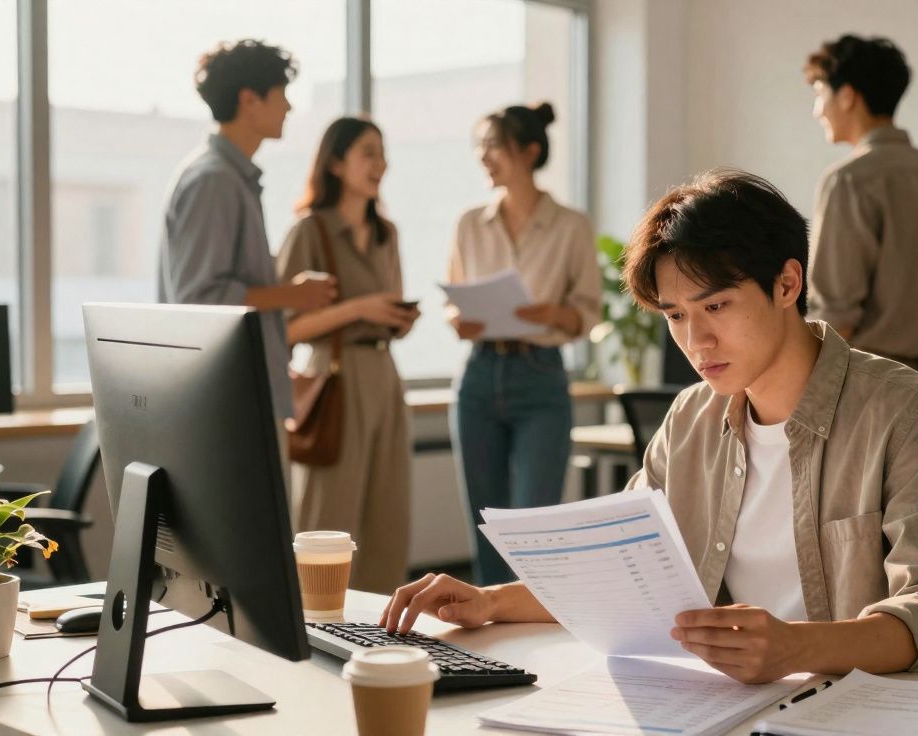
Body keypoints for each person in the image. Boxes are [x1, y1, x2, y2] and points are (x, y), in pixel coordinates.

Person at [379, 170, 918, 684]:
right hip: (716, 704)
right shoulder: (692, 417)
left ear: (787, 283)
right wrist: (488, 602)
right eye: (676, 315)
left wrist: (796, 648)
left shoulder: (908, 415)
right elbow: (619, 571)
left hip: (853, 712)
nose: (695, 341)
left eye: (716, 306)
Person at [445, 102, 601, 586]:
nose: (484, 157)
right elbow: (455, 300)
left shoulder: (572, 225)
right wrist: (459, 320)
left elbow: (588, 312)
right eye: (480, 147)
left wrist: (551, 314)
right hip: (478, 374)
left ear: (530, 151)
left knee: (536, 526)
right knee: (486, 521)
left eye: (494, 146)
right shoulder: (470, 223)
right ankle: (487, 636)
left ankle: (534, 629)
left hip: (541, 374)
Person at [158, 39, 336, 424]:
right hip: (227, 405)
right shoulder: (214, 180)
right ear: (250, 99)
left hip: (237, 396)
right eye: (281, 94)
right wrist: (293, 294)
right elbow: (199, 298)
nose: (288, 106)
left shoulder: (230, 178)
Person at [276, 117, 418, 594]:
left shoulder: (388, 233)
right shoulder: (308, 232)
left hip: (383, 373)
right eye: (368, 153)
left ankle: (376, 630)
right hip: (330, 378)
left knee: (386, 518)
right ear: (336, 162)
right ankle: (309, 624)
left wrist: (394, 318)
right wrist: (358, 308)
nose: (381, 164)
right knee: (325, 516)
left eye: (382, 152)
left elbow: (386, 306)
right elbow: (284, 327)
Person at [803, 35, 918, 385]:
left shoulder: (849, 180)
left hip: (865, 382)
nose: (817, 110)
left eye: (820, 94)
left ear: (848, 95)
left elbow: (836, 316)